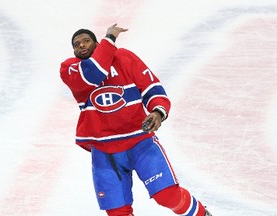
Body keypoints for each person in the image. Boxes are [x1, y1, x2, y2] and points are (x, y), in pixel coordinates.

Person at [60, 24, 212, 216]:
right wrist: (110, 38)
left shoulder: (124, 57)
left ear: (97, 43)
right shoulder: (70, 69)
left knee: (168, 196)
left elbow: (152, 88)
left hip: (140, 142)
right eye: (77, 44)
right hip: (105, 153)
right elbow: (95, 73)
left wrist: (158, 112)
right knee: (117, 212)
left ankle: (201, 214)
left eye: (86, 41)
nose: (81, 45)